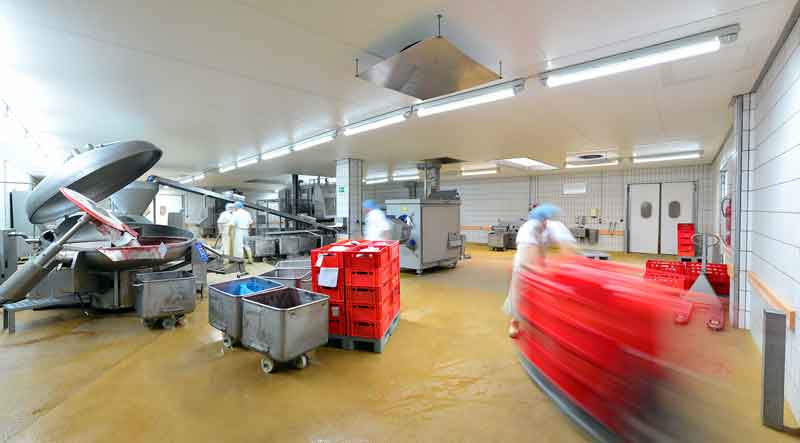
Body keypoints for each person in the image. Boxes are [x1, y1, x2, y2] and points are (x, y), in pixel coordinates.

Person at [503, 203, 577, 338]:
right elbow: (529, 255)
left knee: (546, 296)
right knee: (519, 293)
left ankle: (543, 322)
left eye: (545, 220)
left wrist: (566, 264)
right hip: (524, 265)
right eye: (539, 221)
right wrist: (542, 272)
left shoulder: (554, 226)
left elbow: (568, 247)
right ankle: (515, 322)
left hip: (540, 263)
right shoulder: (527, 228)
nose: (542, 223)